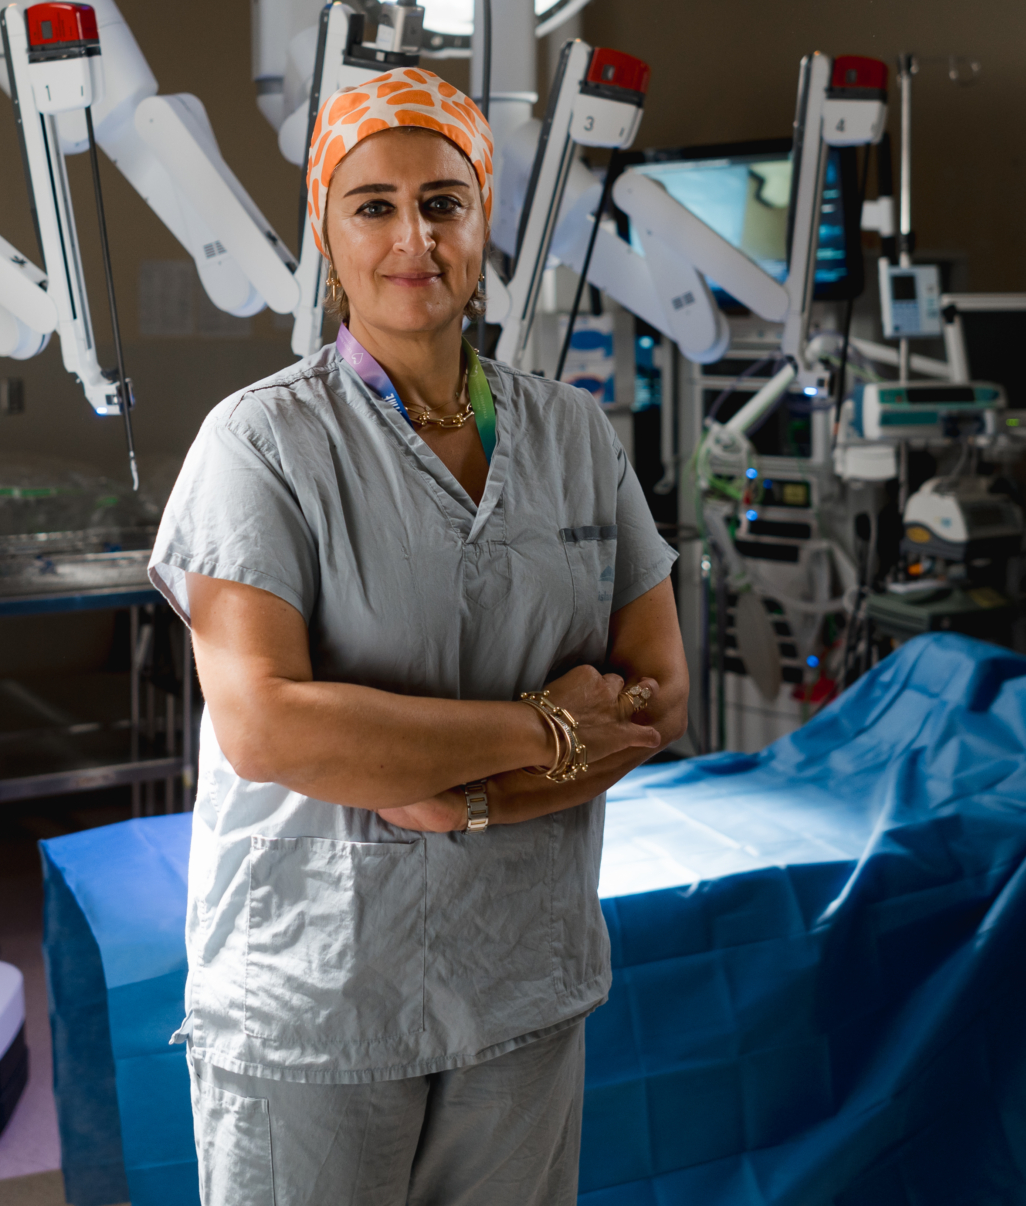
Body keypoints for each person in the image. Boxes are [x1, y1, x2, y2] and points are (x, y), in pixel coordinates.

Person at [149, 66, 688, 1206]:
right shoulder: (261, 445)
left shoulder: (571, 435)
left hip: (523, 983)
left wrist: (468, 798)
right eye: (373, 205)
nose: (413, 237)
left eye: (443, 202)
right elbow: (268, 726)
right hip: (319, 997)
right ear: (326, 234)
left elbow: (653, 702)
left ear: (483, 220)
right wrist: (546, 728)